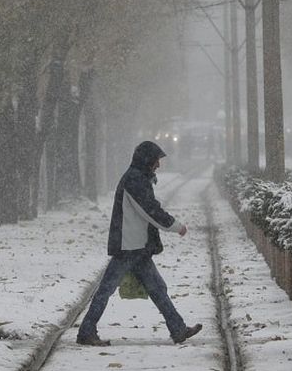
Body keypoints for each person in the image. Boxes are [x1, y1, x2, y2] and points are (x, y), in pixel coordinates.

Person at [77, 141, 203, 347]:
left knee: (157, 288)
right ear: (147, 160)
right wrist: (175, 226)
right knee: (107, 289)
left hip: (137, 246)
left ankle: (178, 329)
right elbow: (150, 210)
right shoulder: (134, 180)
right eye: (156, 161)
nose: (158, 165)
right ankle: (86, 331)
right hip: (129, 246)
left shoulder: (138, 177)